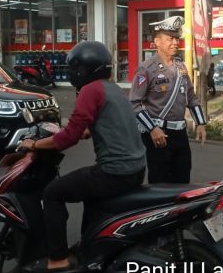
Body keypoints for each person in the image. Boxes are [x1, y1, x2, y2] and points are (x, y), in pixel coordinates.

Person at [20, 41, 146, 272]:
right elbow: (104, 123)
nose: (72, 73)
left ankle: (58, 259)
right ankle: (91, 249)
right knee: (91, 196)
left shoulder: (90, 90)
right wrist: (88, 130)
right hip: (136, 169)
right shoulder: (112, 87)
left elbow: (68, 138)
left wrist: (35, 144)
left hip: (114, 172)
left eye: (74, 69)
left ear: (83, 69)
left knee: (52, 193)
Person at [129, 16, 207, 184]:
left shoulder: (181, 67)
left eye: (176, 38)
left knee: (182, 178)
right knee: (160, 182)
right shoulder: (146, 68)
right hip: (159, 134)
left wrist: (200, 123)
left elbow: (191, 97)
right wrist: (152, 129)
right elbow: (134, 103)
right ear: (157, 42)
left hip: (180, 133)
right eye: (170, 39)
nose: (175, 42)